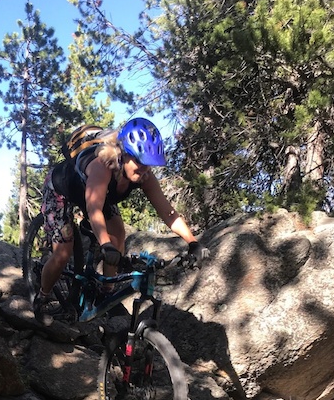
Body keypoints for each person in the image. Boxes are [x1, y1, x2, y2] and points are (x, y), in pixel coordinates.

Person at [34, 117, 206, 322]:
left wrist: (193, 242)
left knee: (119, 234)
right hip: (62, 190)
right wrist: (105, 244)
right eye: (139, 161)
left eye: (148, 164)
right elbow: (93, 207)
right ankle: (42, 296)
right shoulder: (102, 166)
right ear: (123, 153)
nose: (144, 168)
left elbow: (167, 212)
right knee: (63, 253)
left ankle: (106, 293)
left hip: (99, 193)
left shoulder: (144, 175)